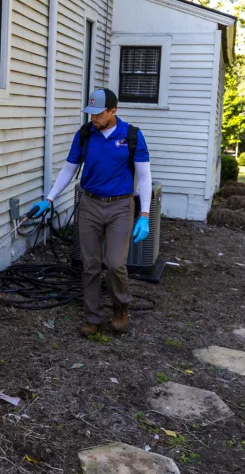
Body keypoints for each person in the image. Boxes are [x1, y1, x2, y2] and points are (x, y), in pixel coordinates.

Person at [31, 88, 152, 336]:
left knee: (116, 263)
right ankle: (93, 317)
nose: (93, 119)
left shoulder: (131, 135)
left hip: (120, 205)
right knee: (90, 265)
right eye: (91, 113)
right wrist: (49, 199)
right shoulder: (85, 134)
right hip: (90, 205)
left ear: (113, 111)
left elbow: (144, 175)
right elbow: (68, 169)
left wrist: (145, 215)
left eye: (98, 114)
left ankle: (120, 309)